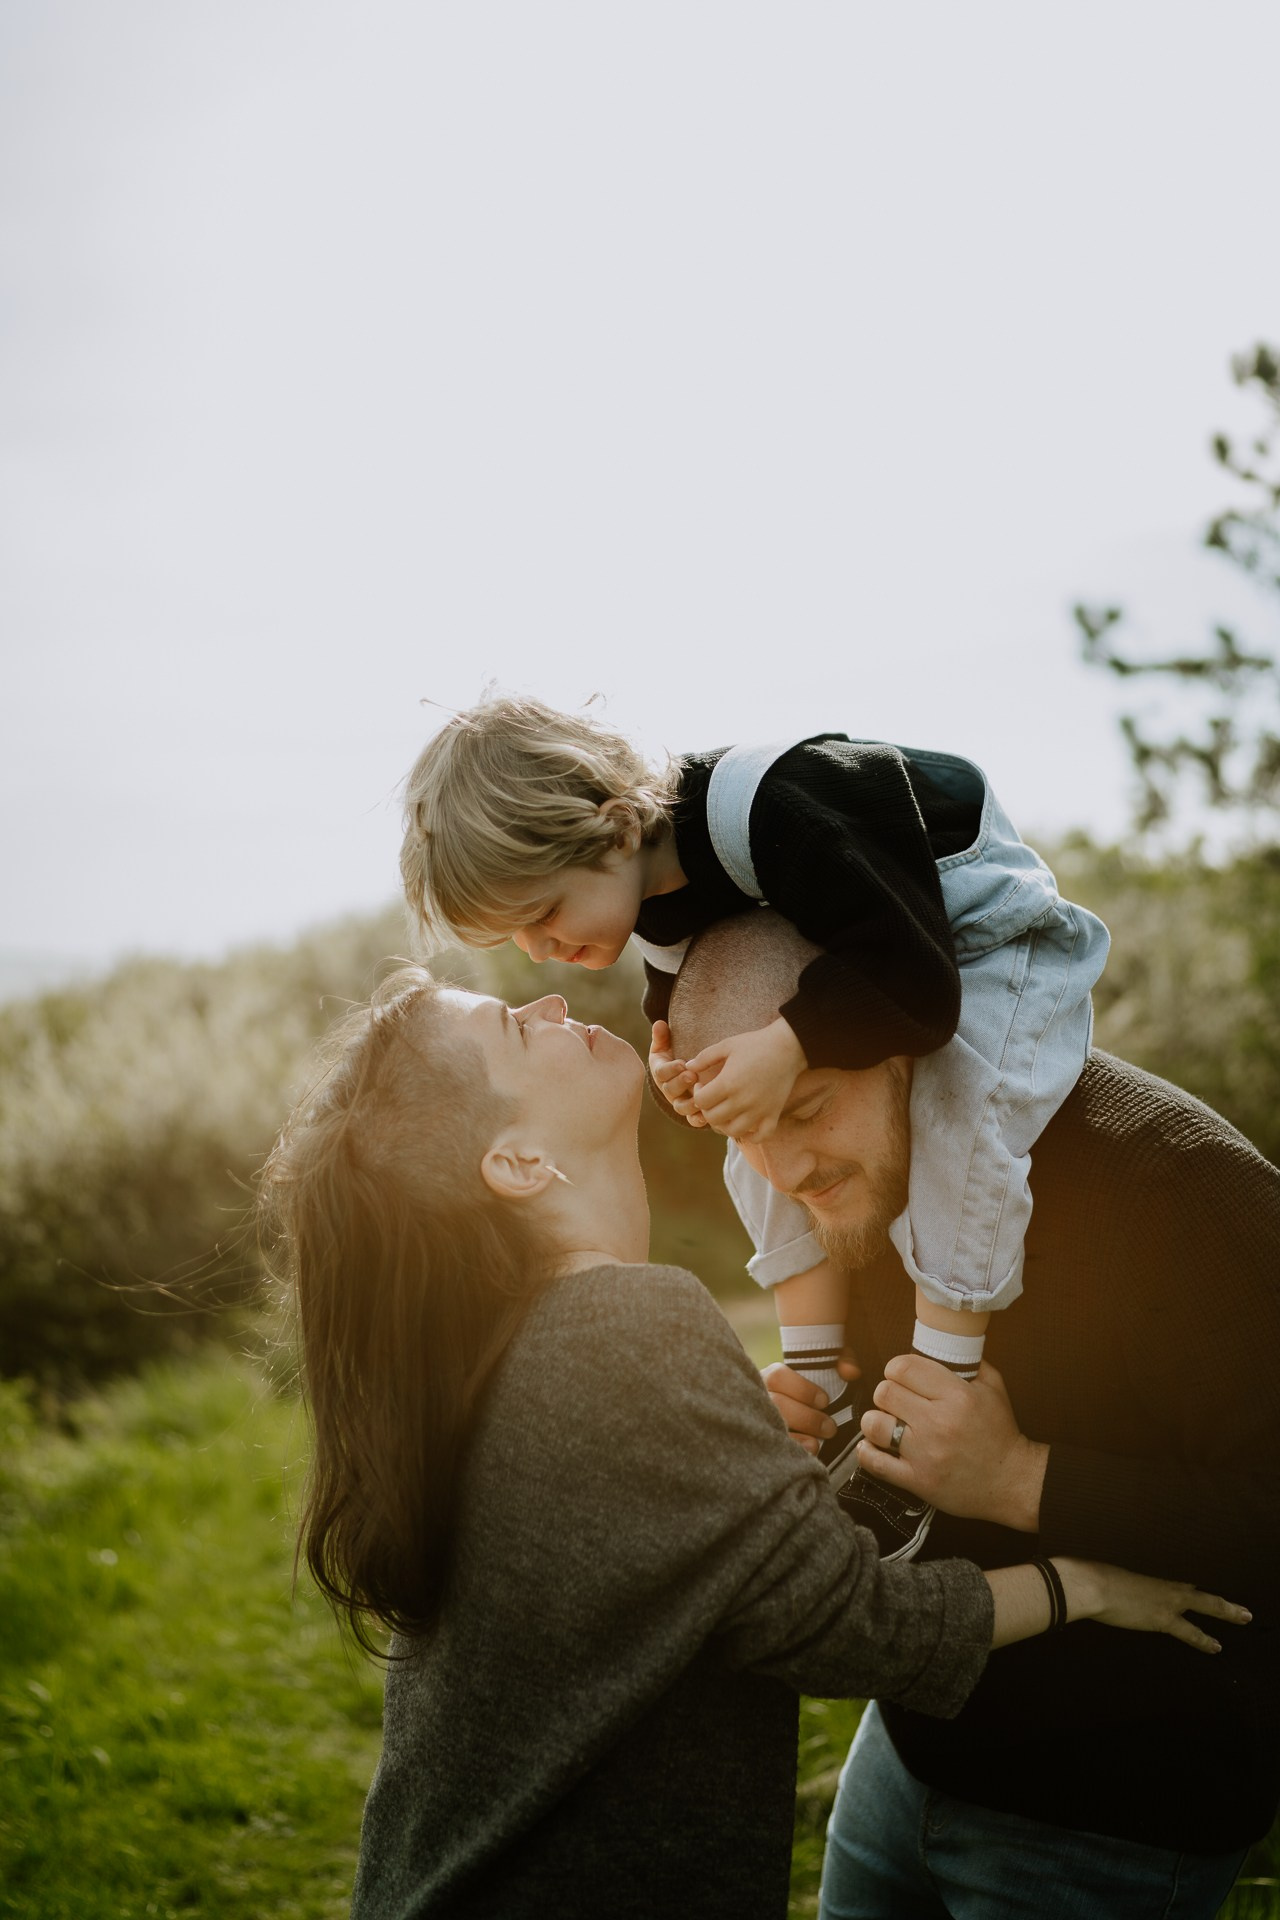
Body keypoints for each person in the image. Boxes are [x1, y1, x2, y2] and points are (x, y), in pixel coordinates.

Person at [258, 968, 1245, 1920]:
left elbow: (723, 1597)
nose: (552, 1000)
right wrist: (1090, 1584)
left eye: (805, 1104)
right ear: (517, 1162)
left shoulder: (506, 1341)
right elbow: (840, 1618)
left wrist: (752, 1487)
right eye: (519, 1027)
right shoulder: (618, 1323)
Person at [666, 909, 1280, 1920]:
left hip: (1112, 1816)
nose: (786, 1171)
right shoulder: (860, 1183)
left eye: (808, 1104)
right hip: (906, 1748)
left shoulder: (1177, 1187)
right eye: (748, 1133)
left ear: (898, 1037)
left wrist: (1022, 1477)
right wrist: (817, 1427)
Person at [398, 692, 1110, 1559]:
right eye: (516, 934)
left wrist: (789, 1043)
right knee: (753, 1142)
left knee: (961, 1119)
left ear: (619, 828)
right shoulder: (652, 901)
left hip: (984, 941)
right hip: (876, 964)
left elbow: (918, 986)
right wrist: (680, 1078)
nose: (539, 951)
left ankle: (931, 1406)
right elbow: (693, 1023)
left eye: (543, 912)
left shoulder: (779, 803)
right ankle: (822, 1384)